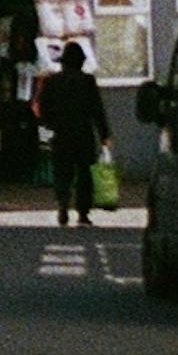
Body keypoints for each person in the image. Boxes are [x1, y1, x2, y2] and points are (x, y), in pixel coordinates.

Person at [37, 39, 112, 229]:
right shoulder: (87, 81)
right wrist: (104, 135)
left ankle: (63, 205)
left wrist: (44, 139)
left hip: (60, 135)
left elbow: (43, 113)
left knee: (62, 172)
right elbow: (97, 110)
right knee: (84, 173)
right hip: (83, 134)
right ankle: (83, 213)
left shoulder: (52, 82)